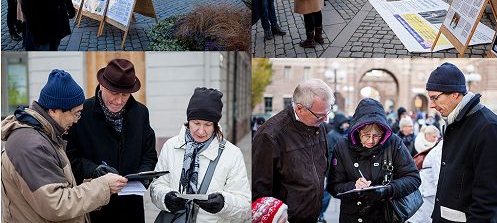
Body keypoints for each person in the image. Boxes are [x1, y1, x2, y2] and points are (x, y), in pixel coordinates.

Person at [1, 69, 128, 223]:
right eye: (75, 113)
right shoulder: (32, 145)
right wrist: (103, 186)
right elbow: (56, 205)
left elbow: (59, 190)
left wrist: (95, 183)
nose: (76, 120)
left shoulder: (43, 135)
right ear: (54, 110)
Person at [66, 59, 158, 223]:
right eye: (114, 93)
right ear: (102, 86)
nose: (119, 101)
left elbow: (149, 153)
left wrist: (144, 176)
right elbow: (70, 157)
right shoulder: (82, 114)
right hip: (95, 207)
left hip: (131, 207)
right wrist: (94, 170)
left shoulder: (141, 113)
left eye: (125, 95)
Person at [150, 87, 251, 222]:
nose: (201, 131)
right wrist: (165, 198)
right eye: (196, 123)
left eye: (208, 125)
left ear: (215, 124)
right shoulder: (171, 146)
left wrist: (223, 203)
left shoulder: (232, 154)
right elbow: (156, 186)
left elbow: (244, 205)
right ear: (188, 121)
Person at [426, 62, 497, 222]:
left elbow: (488, 199)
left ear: (455, 94)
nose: (431, 105)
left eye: (434, 98)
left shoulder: (488, 127)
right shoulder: (455, 122)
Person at [326, 98, 421, 223]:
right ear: (358, 130)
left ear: (384, 132)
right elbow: (334, 186)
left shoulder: (393, 142)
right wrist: (354, 187)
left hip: (385, 215)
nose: (371, 141)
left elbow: (413, 178)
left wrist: (388, 189)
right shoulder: (342, 146)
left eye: (376, 135)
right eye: (366, 135)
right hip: (352, 217)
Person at [253, 79, 333, 223]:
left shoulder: (318, 125)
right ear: (300, 108)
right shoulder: (270, 135)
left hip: (313, 215)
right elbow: (260, 191)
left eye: (328, 112)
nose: (326, 119)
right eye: (320, 115)